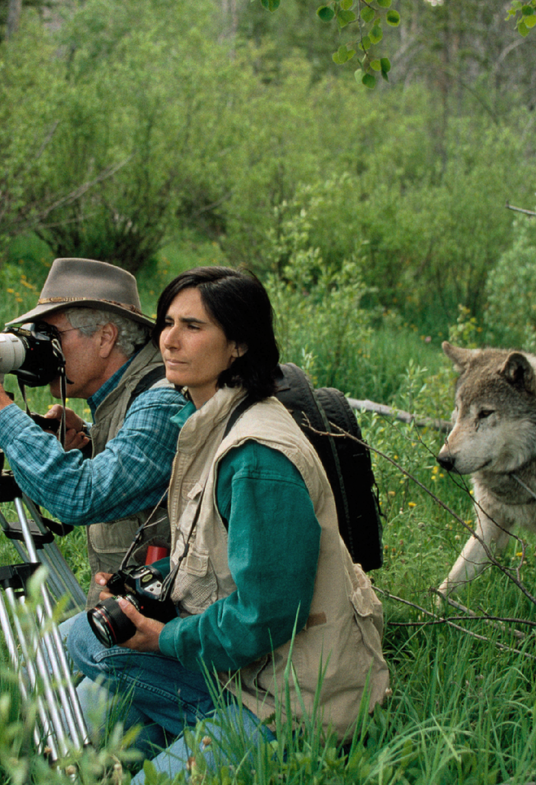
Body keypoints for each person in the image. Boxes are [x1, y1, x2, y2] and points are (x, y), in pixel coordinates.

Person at [66, 266, 390, 781]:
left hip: (288, 699)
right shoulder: (212, 421)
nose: (169, 340)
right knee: (80, 694)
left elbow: (269, 614)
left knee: (83, 644)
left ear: (238, 344)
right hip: (240, 669)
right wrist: (150, 591)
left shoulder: (257, 456)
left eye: (193, 327)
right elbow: (217, 555)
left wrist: (162, 640)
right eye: (167, 322)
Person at [0, 258, 185, 605]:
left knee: (66, 643)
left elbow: (82, 495)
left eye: (52, 336)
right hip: (133, 610)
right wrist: (92, 438)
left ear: (106, 338)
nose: (41, 350)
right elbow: (141, 460)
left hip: (168, 628)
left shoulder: (162, 400)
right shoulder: (128, 391)